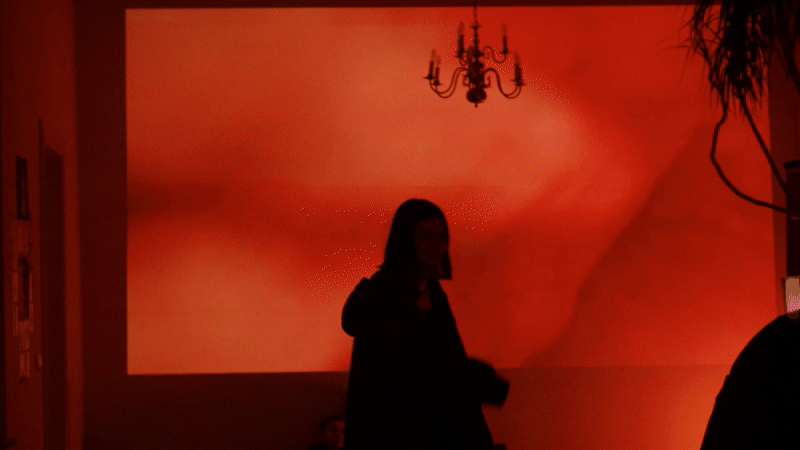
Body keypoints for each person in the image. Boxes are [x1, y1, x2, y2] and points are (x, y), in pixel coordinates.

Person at [342, 198, 510, 450]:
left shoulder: (434, 294)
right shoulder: (379, 295)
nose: (437, 245)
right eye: (425, 235)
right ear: (405, 239)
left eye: (443, 237)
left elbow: (442, 361)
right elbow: (398, 373)